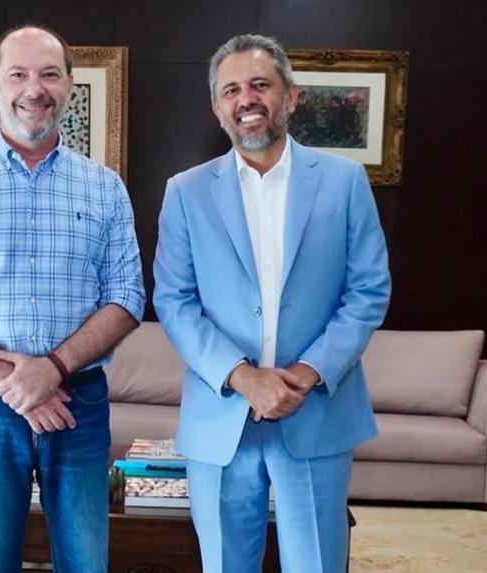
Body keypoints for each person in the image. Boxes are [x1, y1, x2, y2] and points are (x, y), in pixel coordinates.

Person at [0, 25, 144, 573]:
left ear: (69, 86)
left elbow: (128, 296)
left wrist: (52, 369)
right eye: (18, 75)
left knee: (86, 563)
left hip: (78, 401)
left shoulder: (105, 187)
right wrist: (14, 383)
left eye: (49, 75)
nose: (34, 89)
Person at [153, 34, 391, 572]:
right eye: (231, 90)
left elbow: (368, 291)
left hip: (316, 411)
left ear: (292, 96)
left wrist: (304, 374)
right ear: (217, 109)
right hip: (221, 419)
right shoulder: (186, 192)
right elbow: (174, 299)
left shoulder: (344, 182)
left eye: (260, 84)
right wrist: (242, 377)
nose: (247, 99)